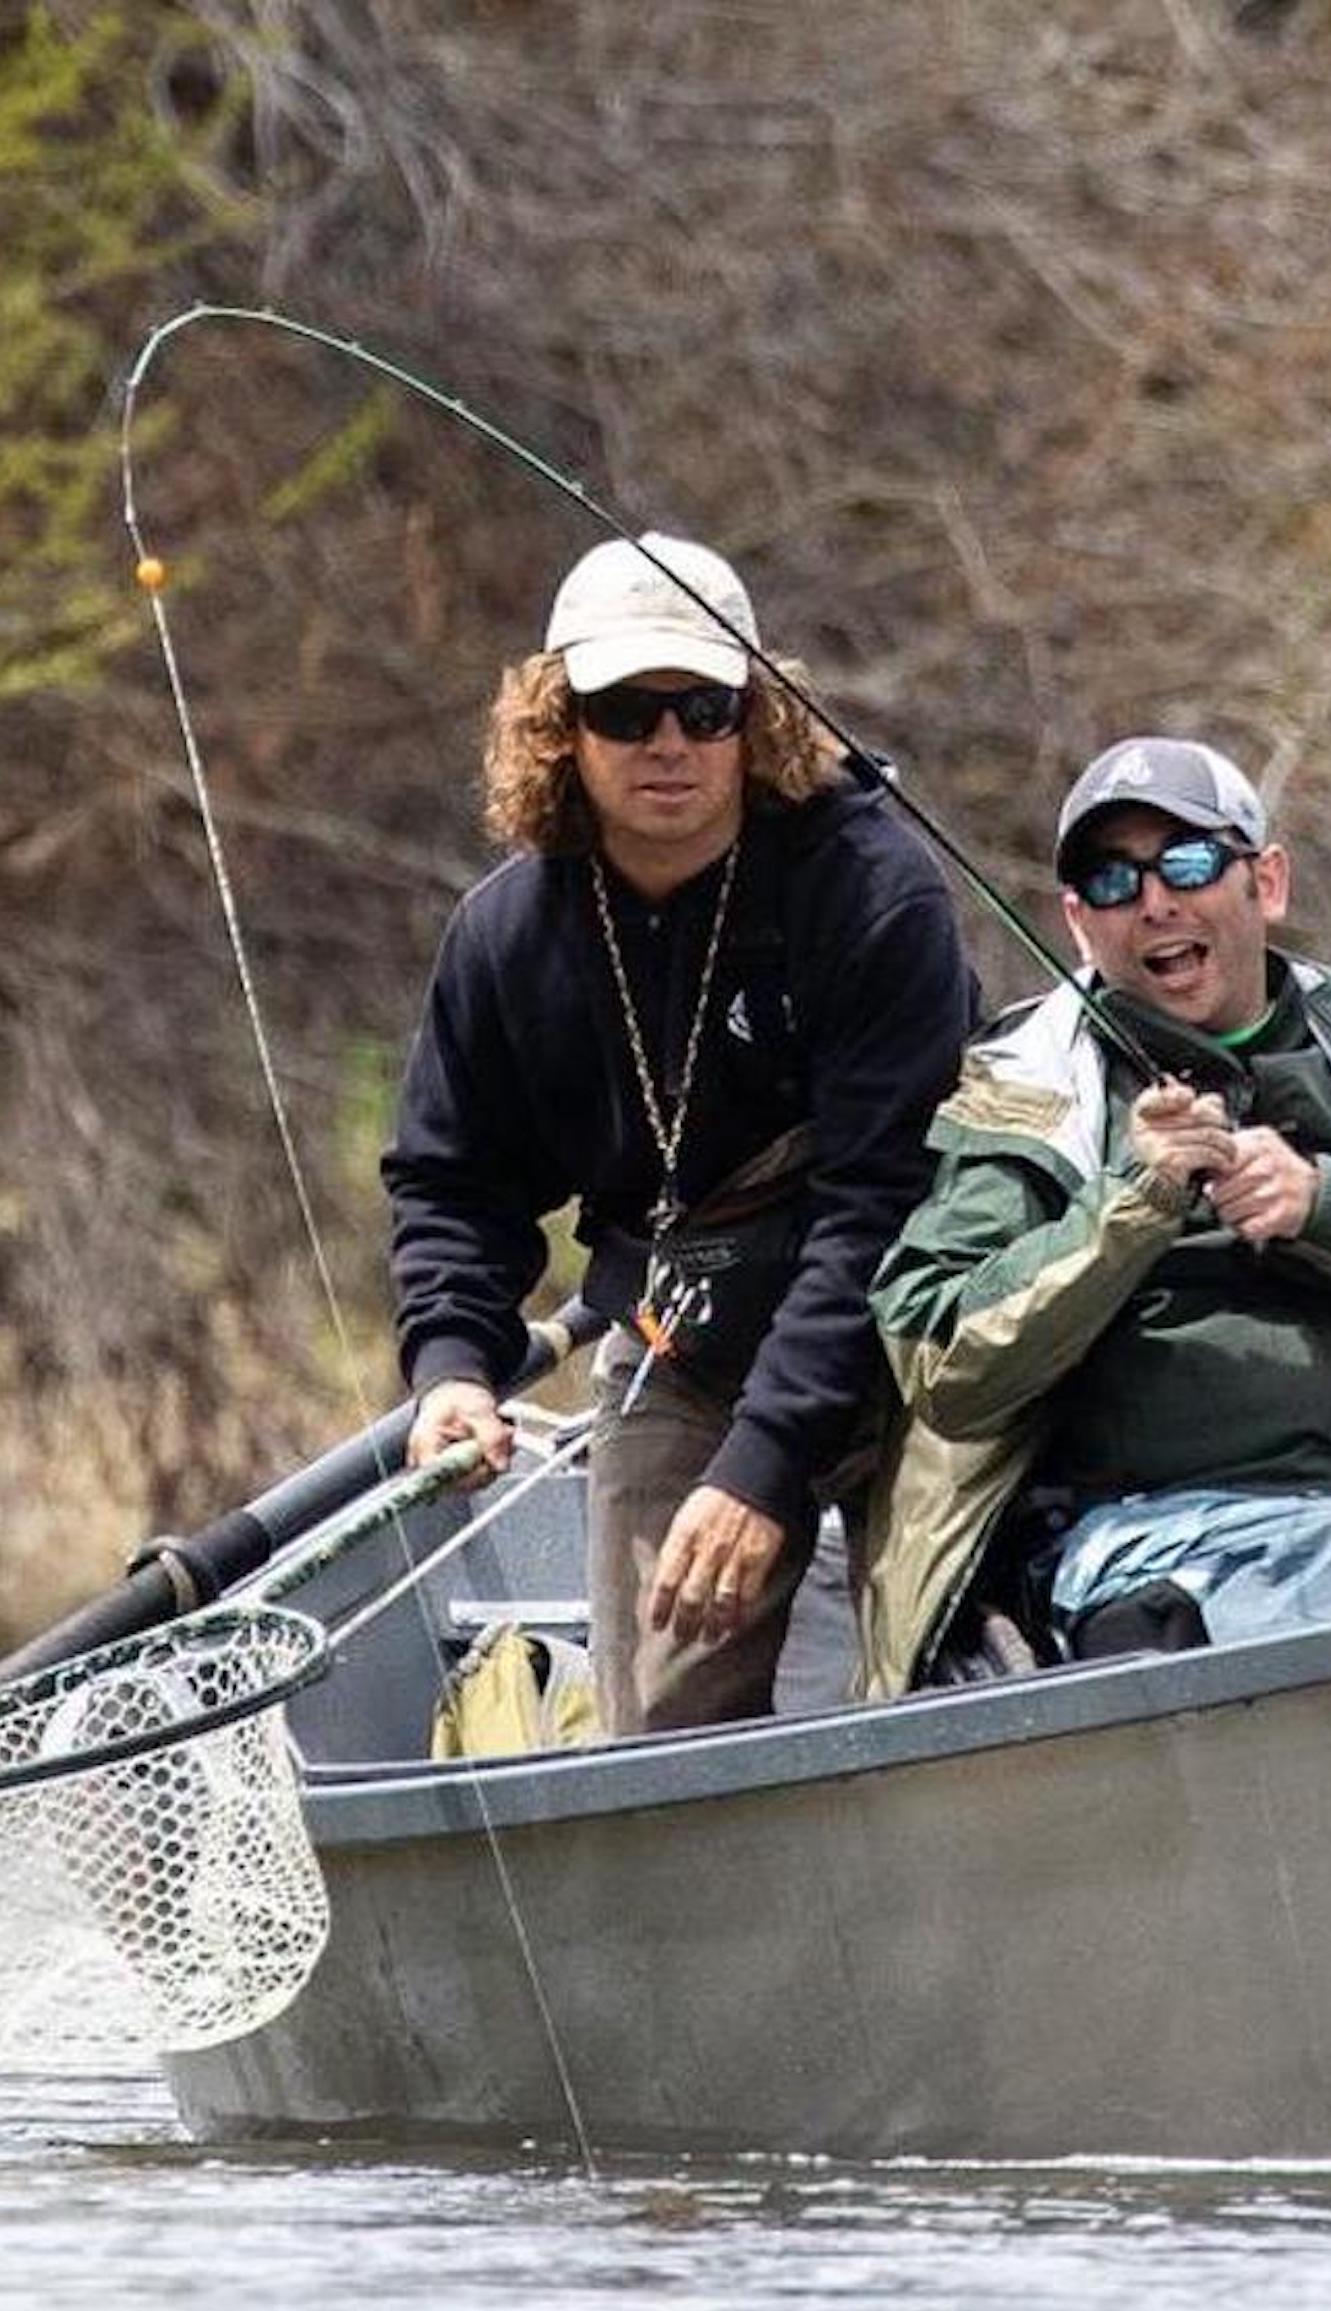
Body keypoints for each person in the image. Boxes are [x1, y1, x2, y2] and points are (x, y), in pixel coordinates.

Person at [859, 733, 1331, 1696]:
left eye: (1187, 862)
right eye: (1112, 881)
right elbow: (941, 1358)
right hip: (1171, 1532)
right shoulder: (1029, 1088)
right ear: (1077, 922)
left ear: (1267, 883)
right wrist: (1132, 1205)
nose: (1154, 902)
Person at [383, 532, 973, 1735]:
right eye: (624, 710)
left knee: (943, 1671)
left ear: (756, 718)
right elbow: (452, 1182)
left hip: (910, 1332)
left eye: (704, 709)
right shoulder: (504, 938)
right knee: (659, 1717)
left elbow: (881, 1207)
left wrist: (763, 1467)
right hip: (681, 1344)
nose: (668, 743)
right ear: (559, 726)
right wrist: (451, 1368)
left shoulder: (872, 893)